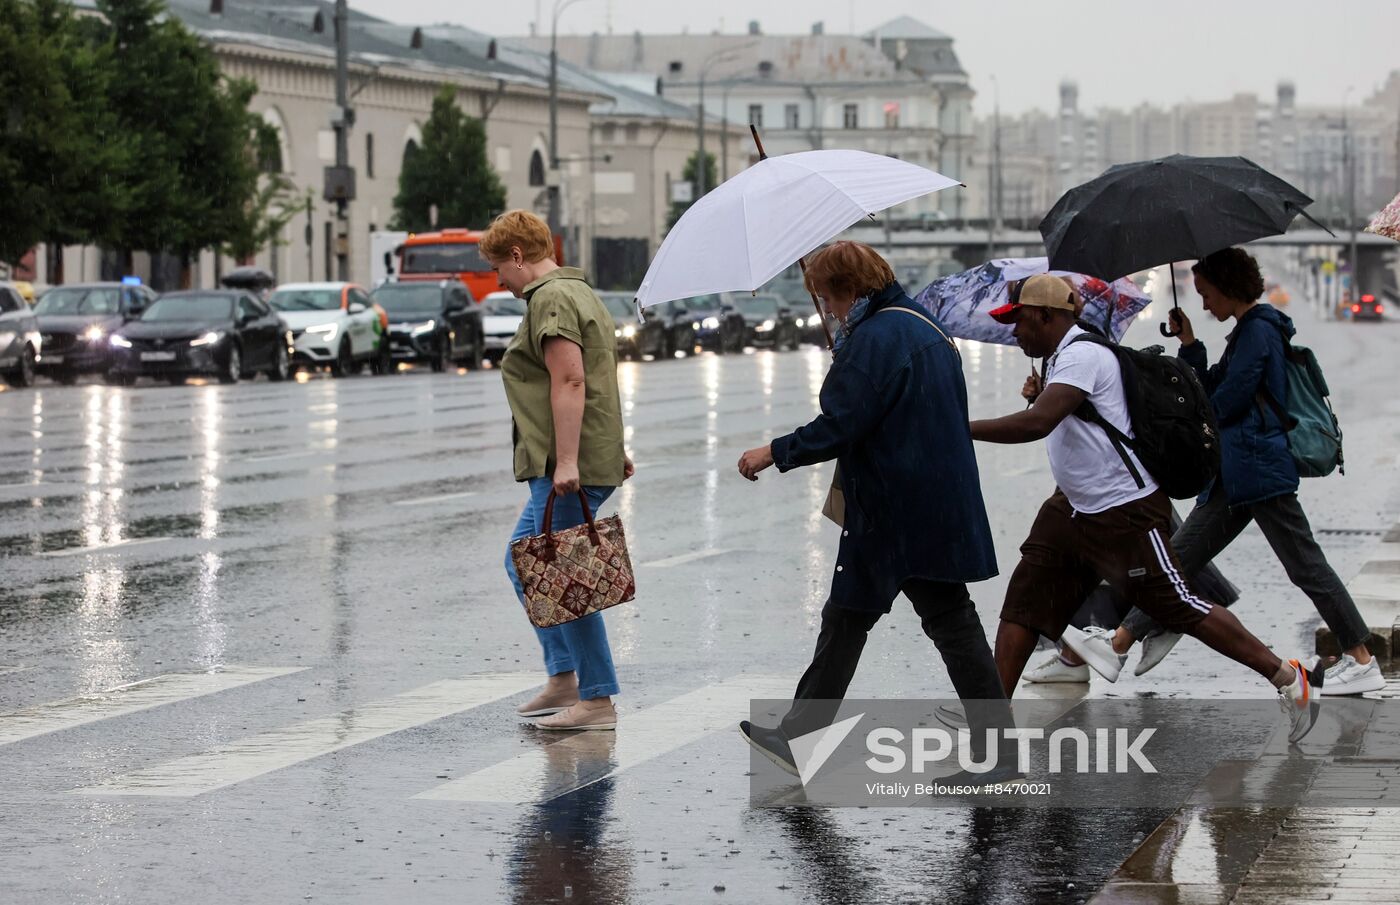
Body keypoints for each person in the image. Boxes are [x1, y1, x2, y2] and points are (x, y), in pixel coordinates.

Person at [969, 274, 1323, 743]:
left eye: (1019, 321)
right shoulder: (1061, 358)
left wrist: (959, 428)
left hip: (1124, 511)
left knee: (1180, 606)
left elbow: (1038, 424)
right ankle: (989, 737)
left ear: (1047, 316)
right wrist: (1044, 390)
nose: (1014, 332)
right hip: (1070, 508)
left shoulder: (1083, 354)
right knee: (1021, 611)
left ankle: (1287, 677)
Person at [734, 241, 1013, 777]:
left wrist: (774, 451)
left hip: (892, 507)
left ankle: (800, 740)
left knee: (876, 621)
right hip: (933, 499)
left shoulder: (875, 338)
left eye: (829, 297)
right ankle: (996, 753)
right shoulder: (922, 326)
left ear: (850, 289)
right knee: (880, 620)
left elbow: (842, 421)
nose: (831, 309)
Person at [1069, 248, 1380, 695]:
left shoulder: (1260, 330)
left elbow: (1226, 400)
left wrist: (1188, 418)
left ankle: (1361, 658)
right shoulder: (1246, 332)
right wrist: (1190, 346)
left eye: (1206, 293)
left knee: (1306, 567)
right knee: (1175, 560)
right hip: (1237, 473)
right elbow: (1213, 386)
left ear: (1229, 287)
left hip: (1257, 470)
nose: (1204, 303)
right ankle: (1119, 643)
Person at [483, 209, 634, 731]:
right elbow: (597, 373)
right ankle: (566, 677)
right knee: (529, 563)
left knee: (562, 573)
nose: (498, 280)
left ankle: (595, 698)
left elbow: (571, 381)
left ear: (518, 256)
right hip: (584, 454)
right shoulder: (580, 291)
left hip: (565, 462)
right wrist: (610, 447)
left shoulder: (549, 297)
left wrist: (572, 458)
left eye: (498, 267)